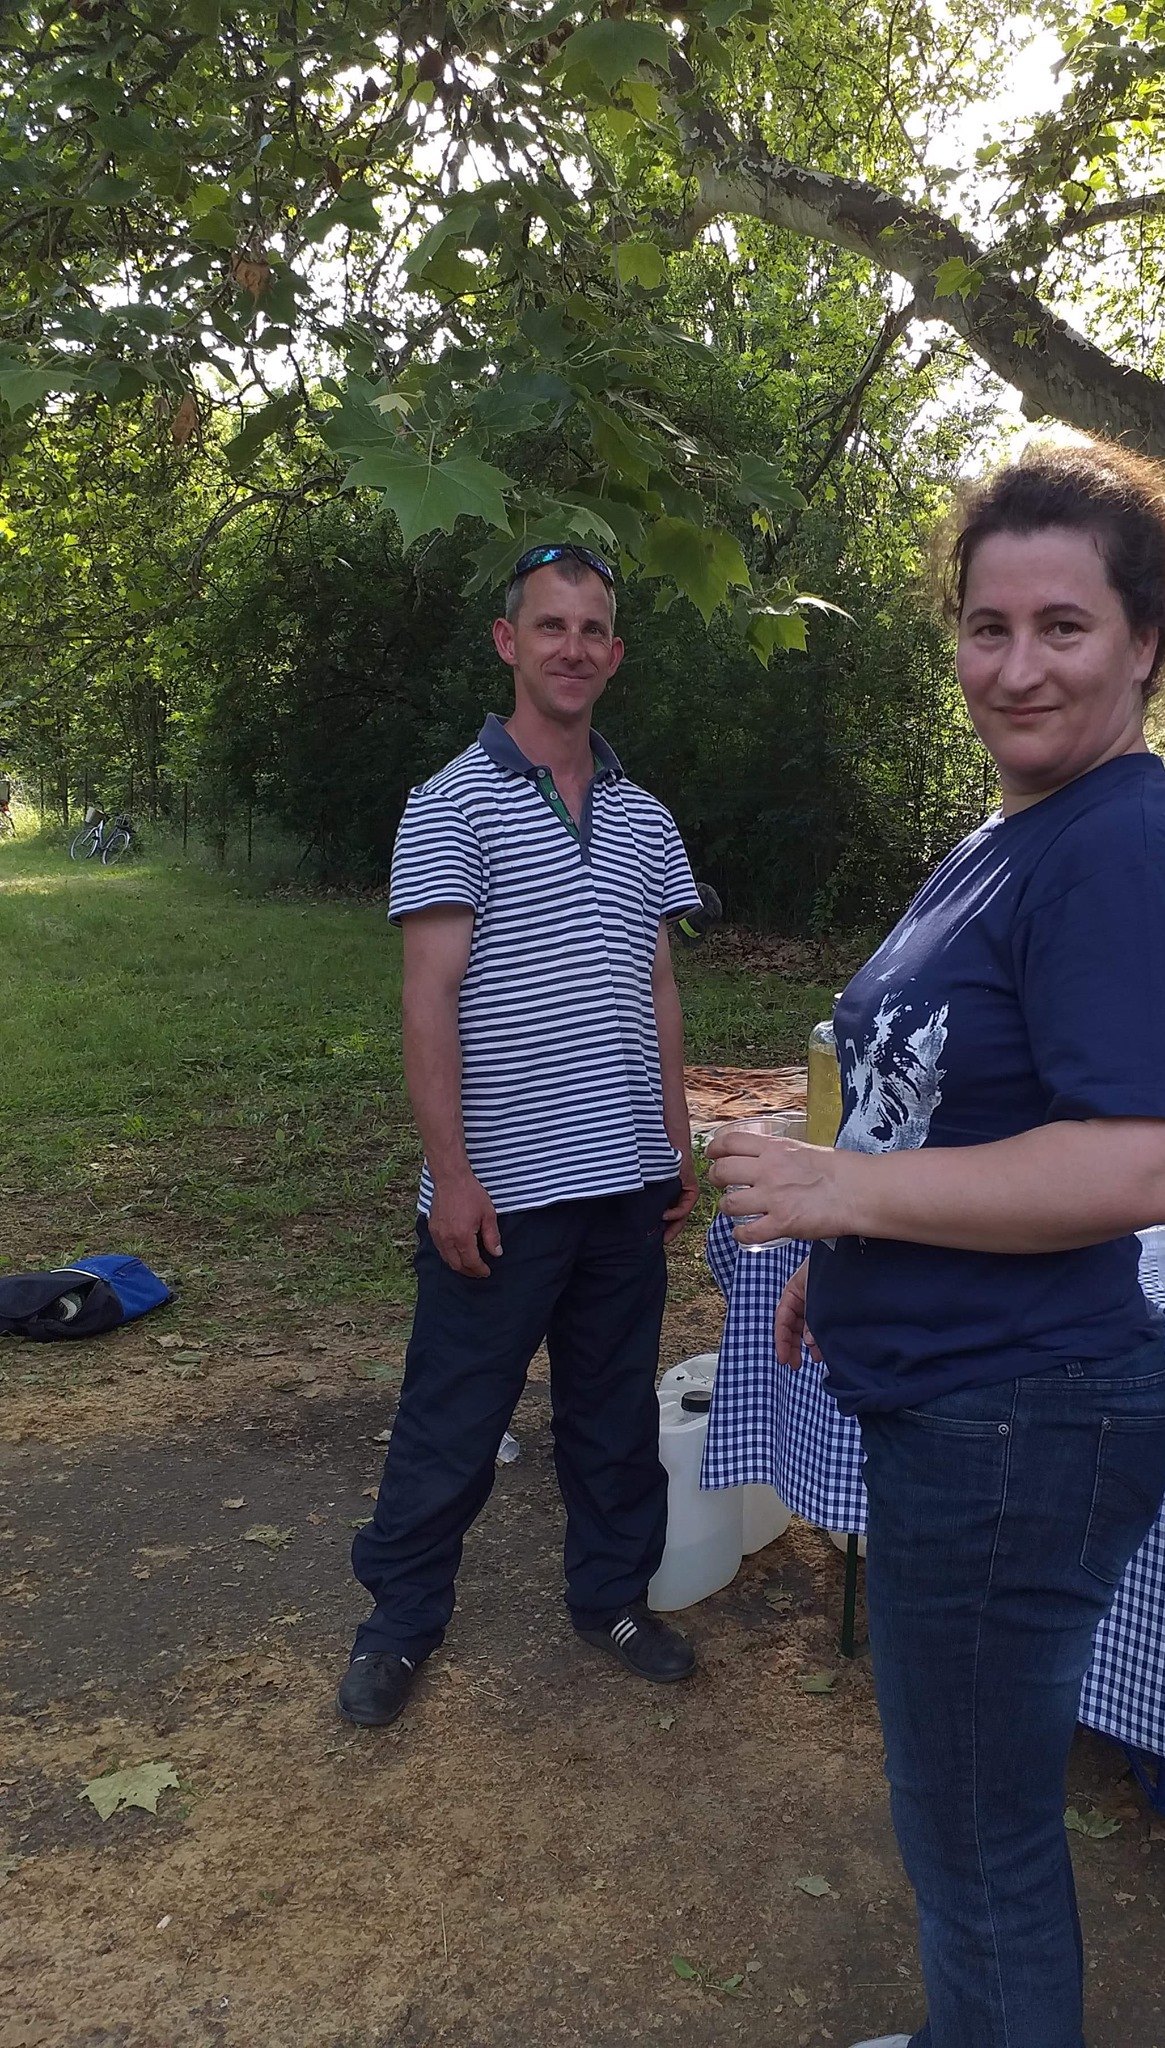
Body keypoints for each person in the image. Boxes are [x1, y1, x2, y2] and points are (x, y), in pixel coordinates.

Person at [708, 440, 1165, 2048]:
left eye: (1062, 627)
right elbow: (941, 1098)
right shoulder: (1018, 828)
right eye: (986, 626)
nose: (1015, 668)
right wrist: (846, 1258)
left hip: (1018, 1416)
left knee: (976, 1832)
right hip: (968, 1392)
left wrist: (842, 1199)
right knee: (959, 1810)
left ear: (1147, 639)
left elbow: (1147, 1158)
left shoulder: (1121, 849)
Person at [340, 542, 702, 1729]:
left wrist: (676, 1137)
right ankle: (399, 1622)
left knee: (614, 1413)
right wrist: (451, 1175)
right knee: (453, 1421)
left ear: (616, 653)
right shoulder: (452, 801)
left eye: (593, 630)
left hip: (622, 1181)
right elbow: (427, 997)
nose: (572, 648)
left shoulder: (646, 817)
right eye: (551, 625)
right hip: (503, 1189)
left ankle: (612, 1598)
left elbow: (657, 984)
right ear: (509, 641)